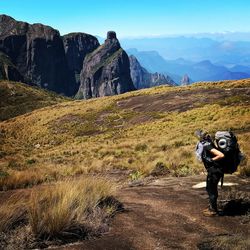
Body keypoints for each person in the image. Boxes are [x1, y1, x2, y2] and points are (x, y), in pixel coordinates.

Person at [195, 130, 225, 216]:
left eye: (199, 136)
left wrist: (211, 160)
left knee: (211, 189)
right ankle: (212, 207)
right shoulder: (208, 144)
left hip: (214, 171)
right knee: (210, 188)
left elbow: (221, 155)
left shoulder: (207, 146)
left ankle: (213, 211)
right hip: (214, 170)